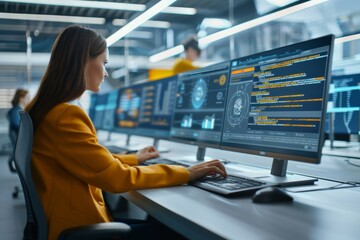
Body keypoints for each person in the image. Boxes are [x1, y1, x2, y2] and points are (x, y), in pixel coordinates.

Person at [25, 25, 226, 240]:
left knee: (159, 224)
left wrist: (135, 158)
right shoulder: (66, 115)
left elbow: (90, 161)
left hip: (70, 223)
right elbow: (117, 178)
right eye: (104, 63)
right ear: (84, 61)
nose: (106, 72)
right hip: (80, 230)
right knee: (183, 233)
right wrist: (185, 172)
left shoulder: (52, 110)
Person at [7, 88, 29, 172]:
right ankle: (11, 163)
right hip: (15, 133)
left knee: (18, 150)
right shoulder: (17, 109)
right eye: (26, 97)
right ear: (21, 98)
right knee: (18, 150)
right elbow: (15, 123)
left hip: (16, 132)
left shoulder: (20, 108)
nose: (28, 99)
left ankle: (15, 165)